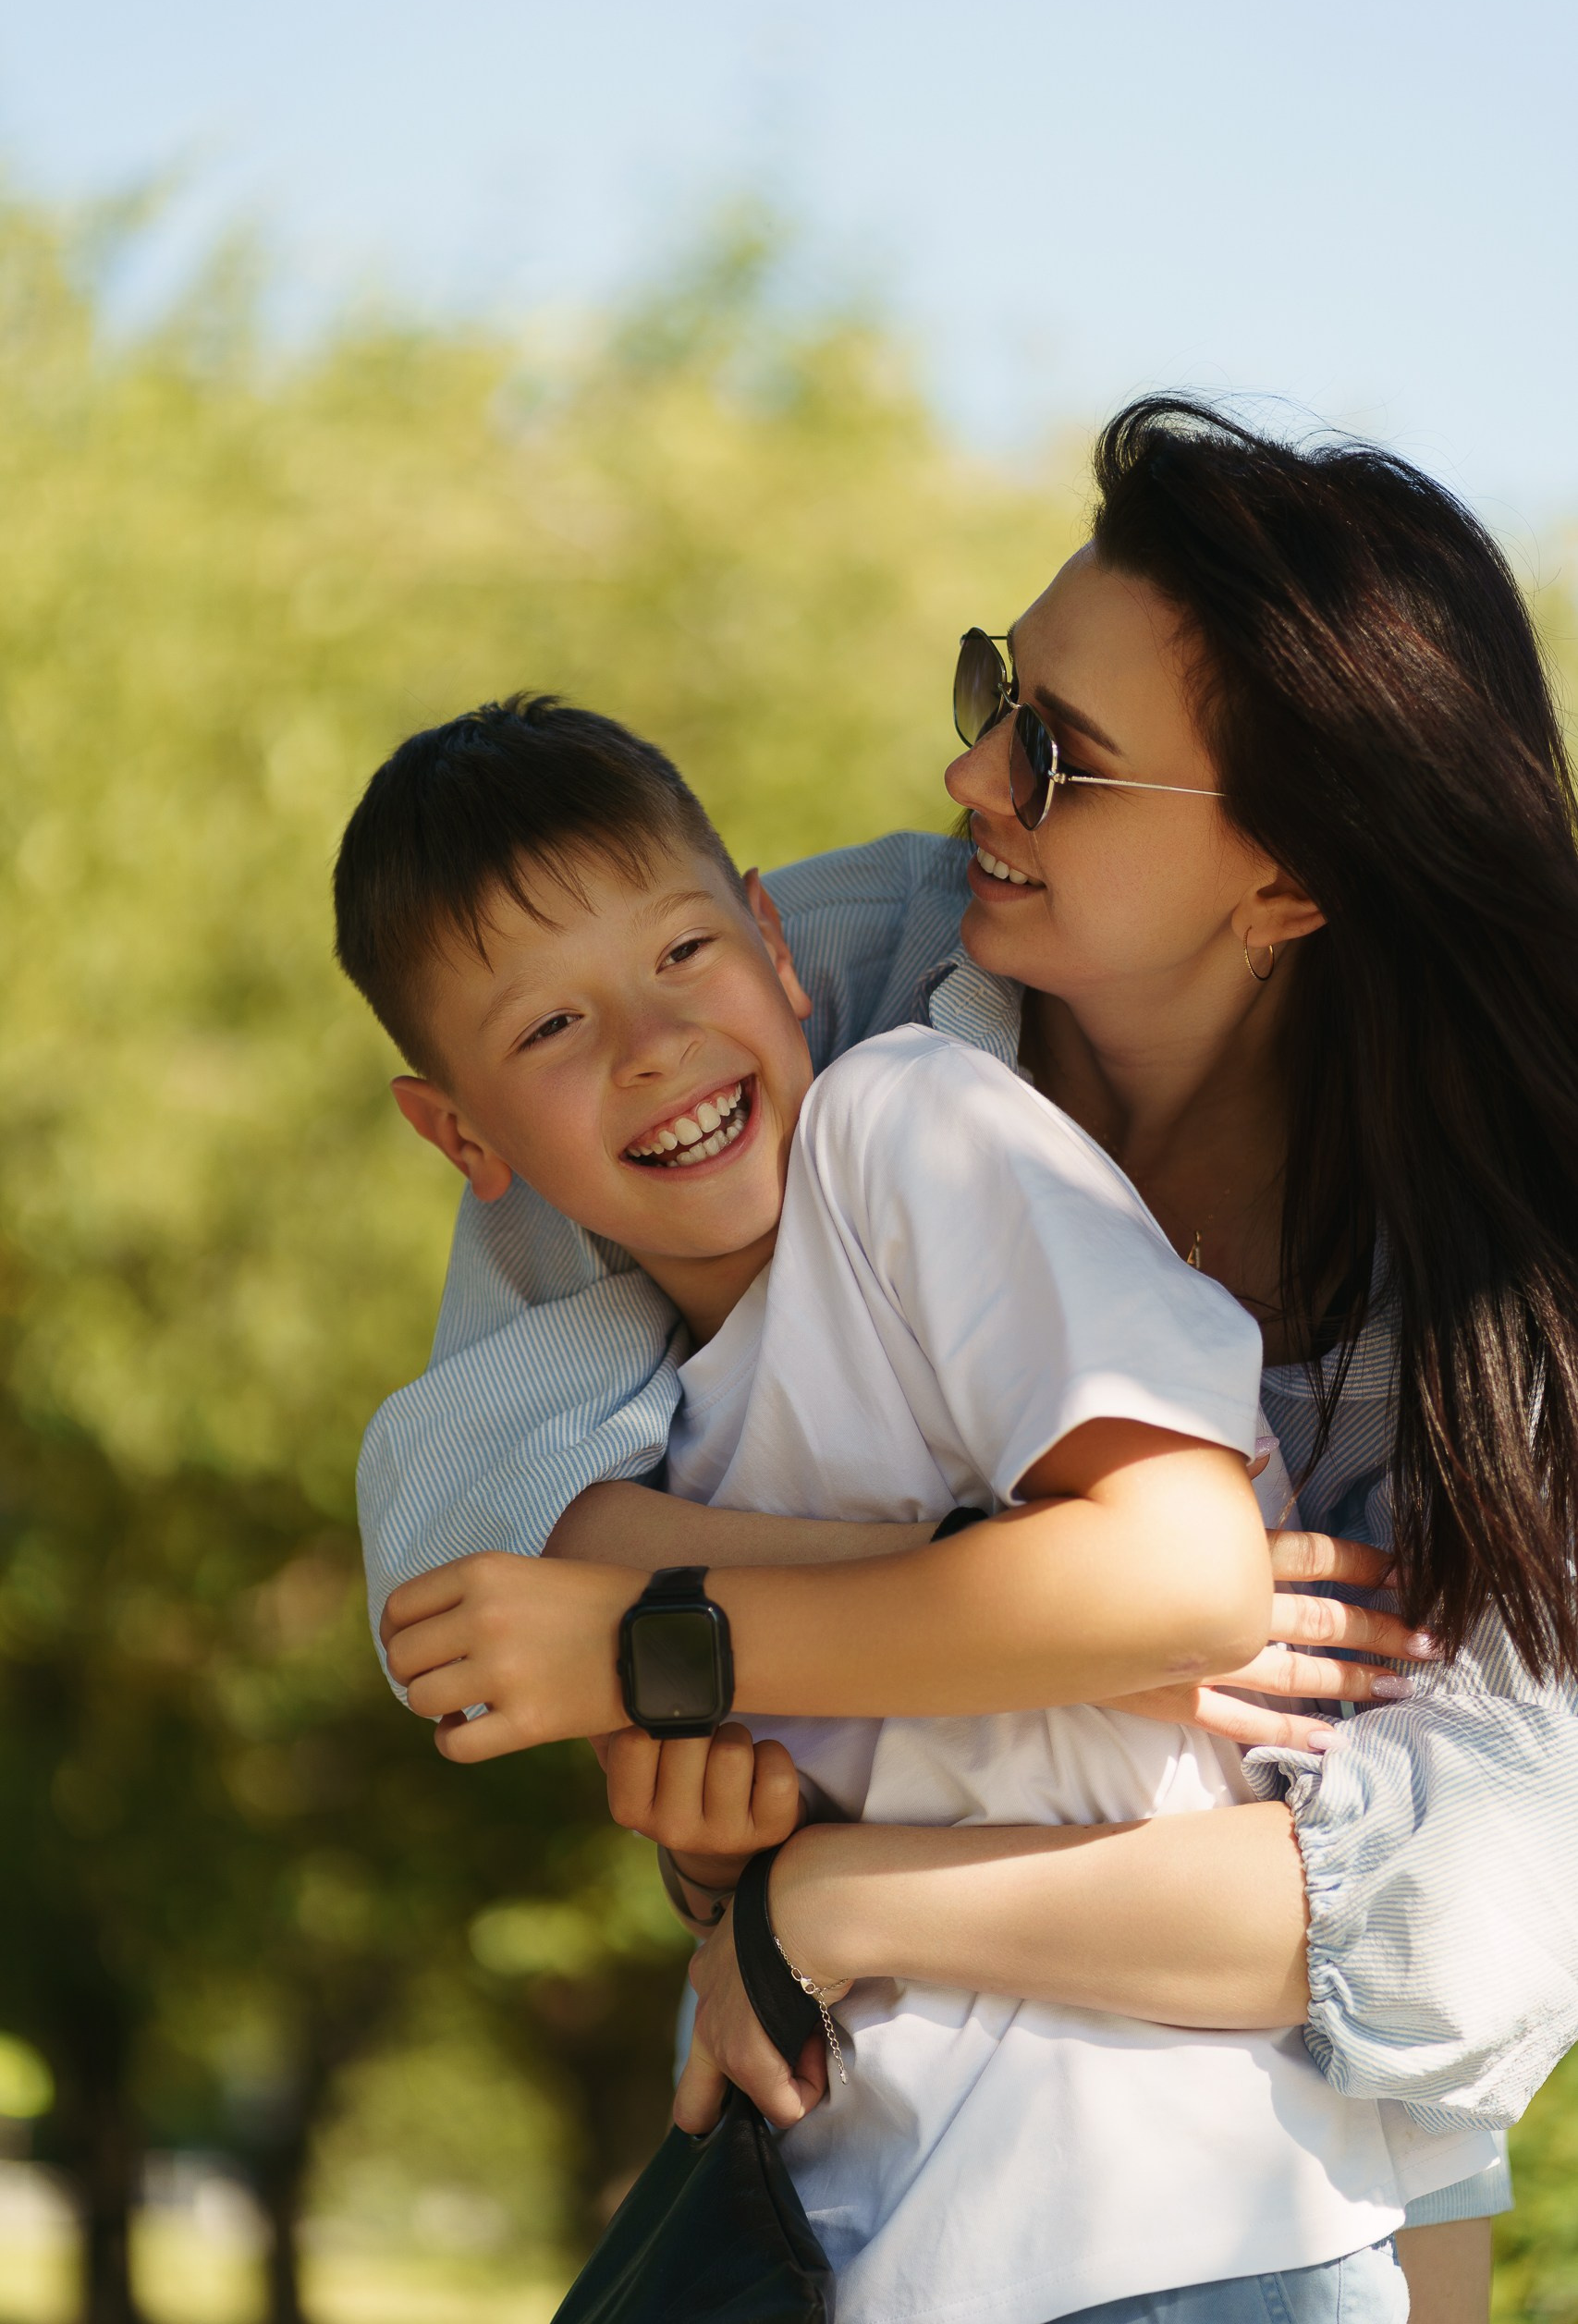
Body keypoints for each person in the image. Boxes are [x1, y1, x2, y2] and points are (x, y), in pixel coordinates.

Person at [353, 400, 1578, 2318]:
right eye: (996, 687)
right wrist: (875, 1636)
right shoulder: (791, 984)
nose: (967, 768)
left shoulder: (1517, 1279)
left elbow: (1455, 1932)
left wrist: (828, 1879)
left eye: (1058, 758)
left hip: (1292, 2157)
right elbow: (473, 1507)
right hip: (935, 2148)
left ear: (1289, 880)